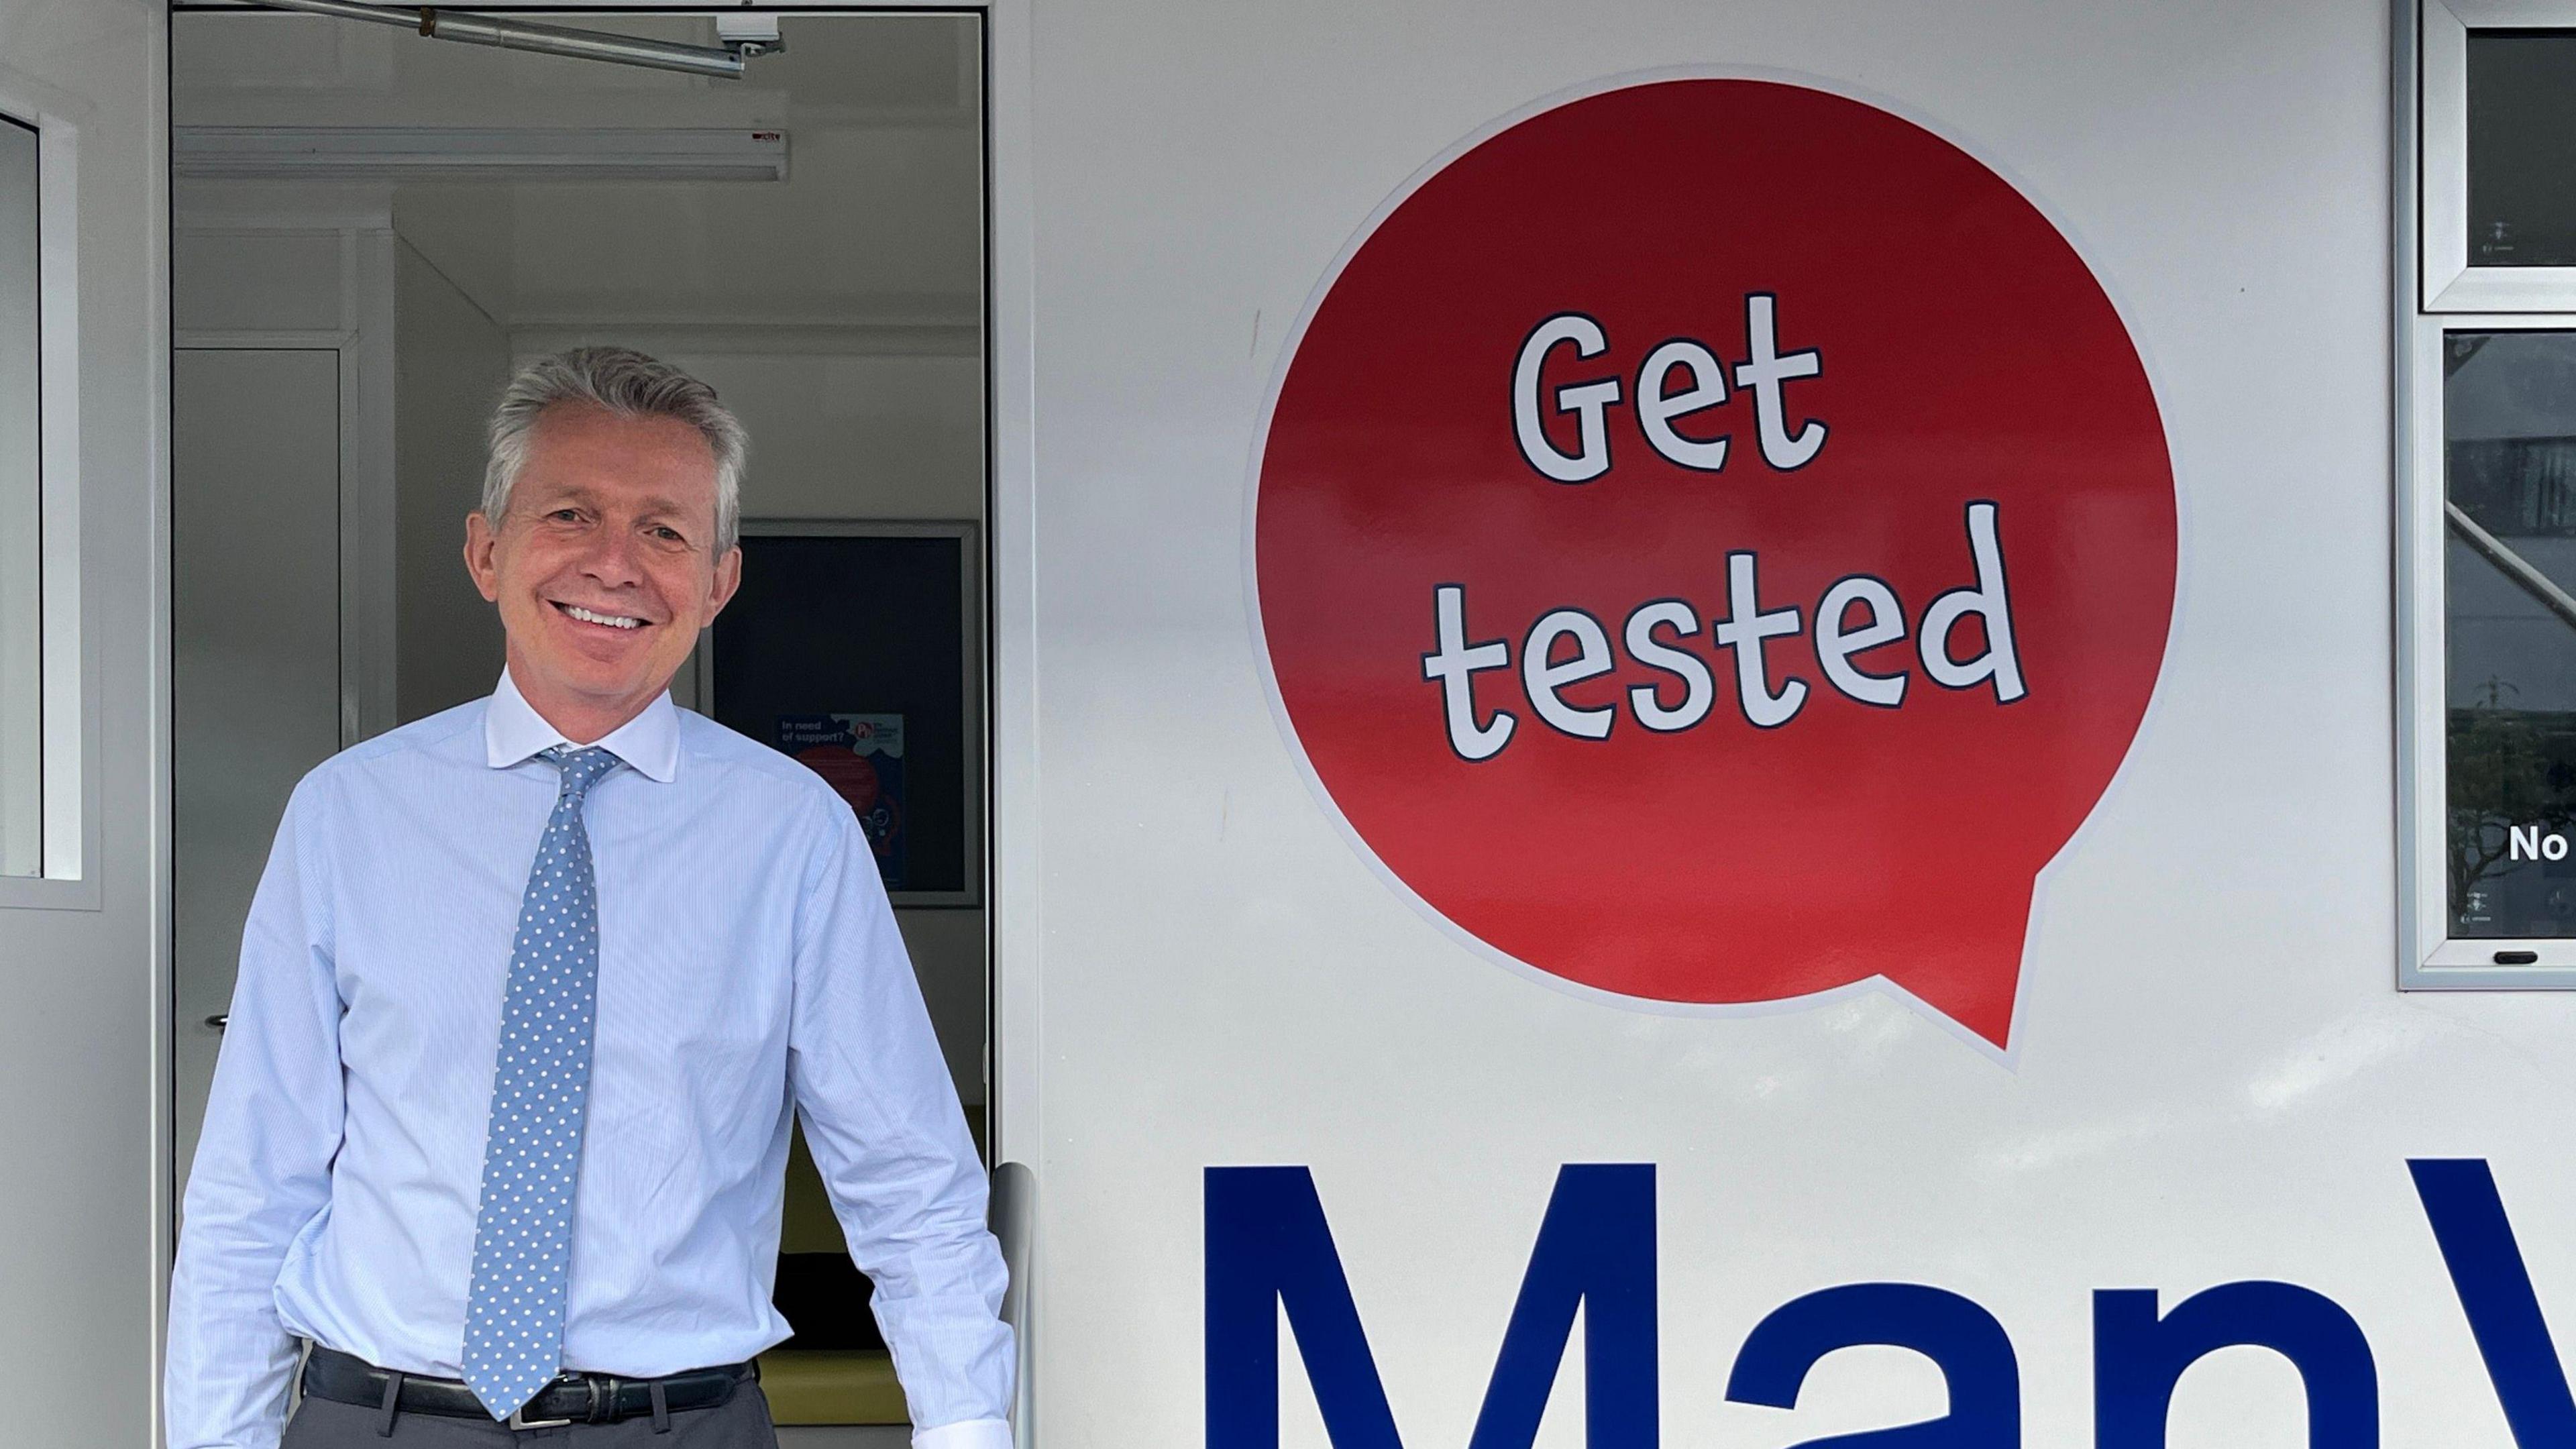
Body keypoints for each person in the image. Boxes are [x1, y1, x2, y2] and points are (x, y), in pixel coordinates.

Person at [165, 348, 1012, 1448]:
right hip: (378, 1421)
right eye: (571, 514)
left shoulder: (795, 836)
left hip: (681, 1424)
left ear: (719, 582)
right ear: (486, 550)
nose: (616, 565)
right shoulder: (347, 817)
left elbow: (909, 1181)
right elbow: (251, 1184)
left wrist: (968, 1428)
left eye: (665, 530)